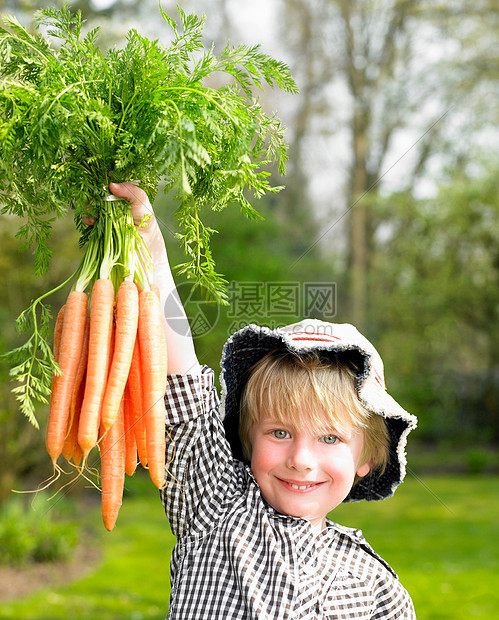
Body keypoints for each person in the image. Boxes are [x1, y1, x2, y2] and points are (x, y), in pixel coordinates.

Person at [110, 182, 418, 619]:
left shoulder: (376, 590)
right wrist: (149, 249)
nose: (300, 459)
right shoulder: (216, 505)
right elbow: (179, 377)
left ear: (365, 457)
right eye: (279, 432)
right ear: (249, 438)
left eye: (330, 438)